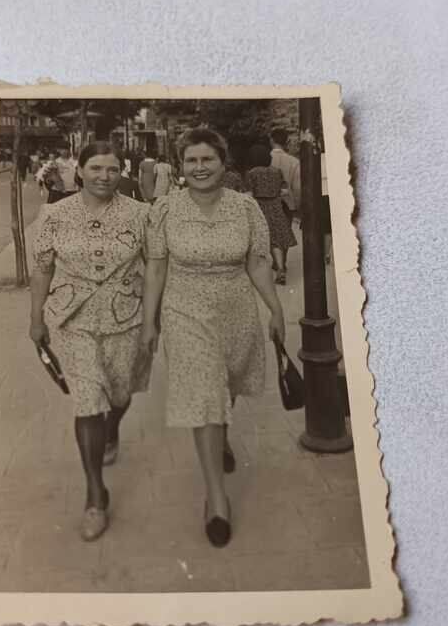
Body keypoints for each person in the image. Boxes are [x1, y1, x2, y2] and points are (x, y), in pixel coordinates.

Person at [141, 127, 285, 547]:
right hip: (185, 309)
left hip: (236, 308)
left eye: (208, 160)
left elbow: (258, 264)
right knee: (204, 392)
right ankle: (216, 497)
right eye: (191, 161)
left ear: (223, 164)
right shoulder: (165, 210)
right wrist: (149, 321)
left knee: (229, 383)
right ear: (181, 167)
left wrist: (277, 310)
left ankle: (218, 436)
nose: (200, 168)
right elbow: (155, 268)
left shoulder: (246, 209)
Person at [29, 142, 150, 542]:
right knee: (87, 402)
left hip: (125, 317)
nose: (104, 176)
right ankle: (95, 495)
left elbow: (156, 270)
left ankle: (113, 427)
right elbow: (43, 269)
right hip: (71, 319)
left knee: (119, 394)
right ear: (78, 171)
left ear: (122, 173)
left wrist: (154, 319)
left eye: (113, 169)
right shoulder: (54, 214)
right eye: (96, 168)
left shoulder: (141, 214)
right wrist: (35, 319)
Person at [245, 141, 293, 284]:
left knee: (258, 241)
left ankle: (256, 274)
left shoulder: (251, 173)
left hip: (260, 207)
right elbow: (284, 190)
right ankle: (280, 268)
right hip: (276, 206)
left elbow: (249, 194)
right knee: (277, 240)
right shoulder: (276, 171)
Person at [270, 126, 301, 245]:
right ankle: (283, 261)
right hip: (287, 203)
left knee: (270, 235)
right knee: (285, 234)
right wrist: (296, 205)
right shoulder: (294, 162)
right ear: (286, 141)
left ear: (271, 140)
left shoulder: (266, 158)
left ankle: (275, 262)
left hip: (268, 201)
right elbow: (297, 187)